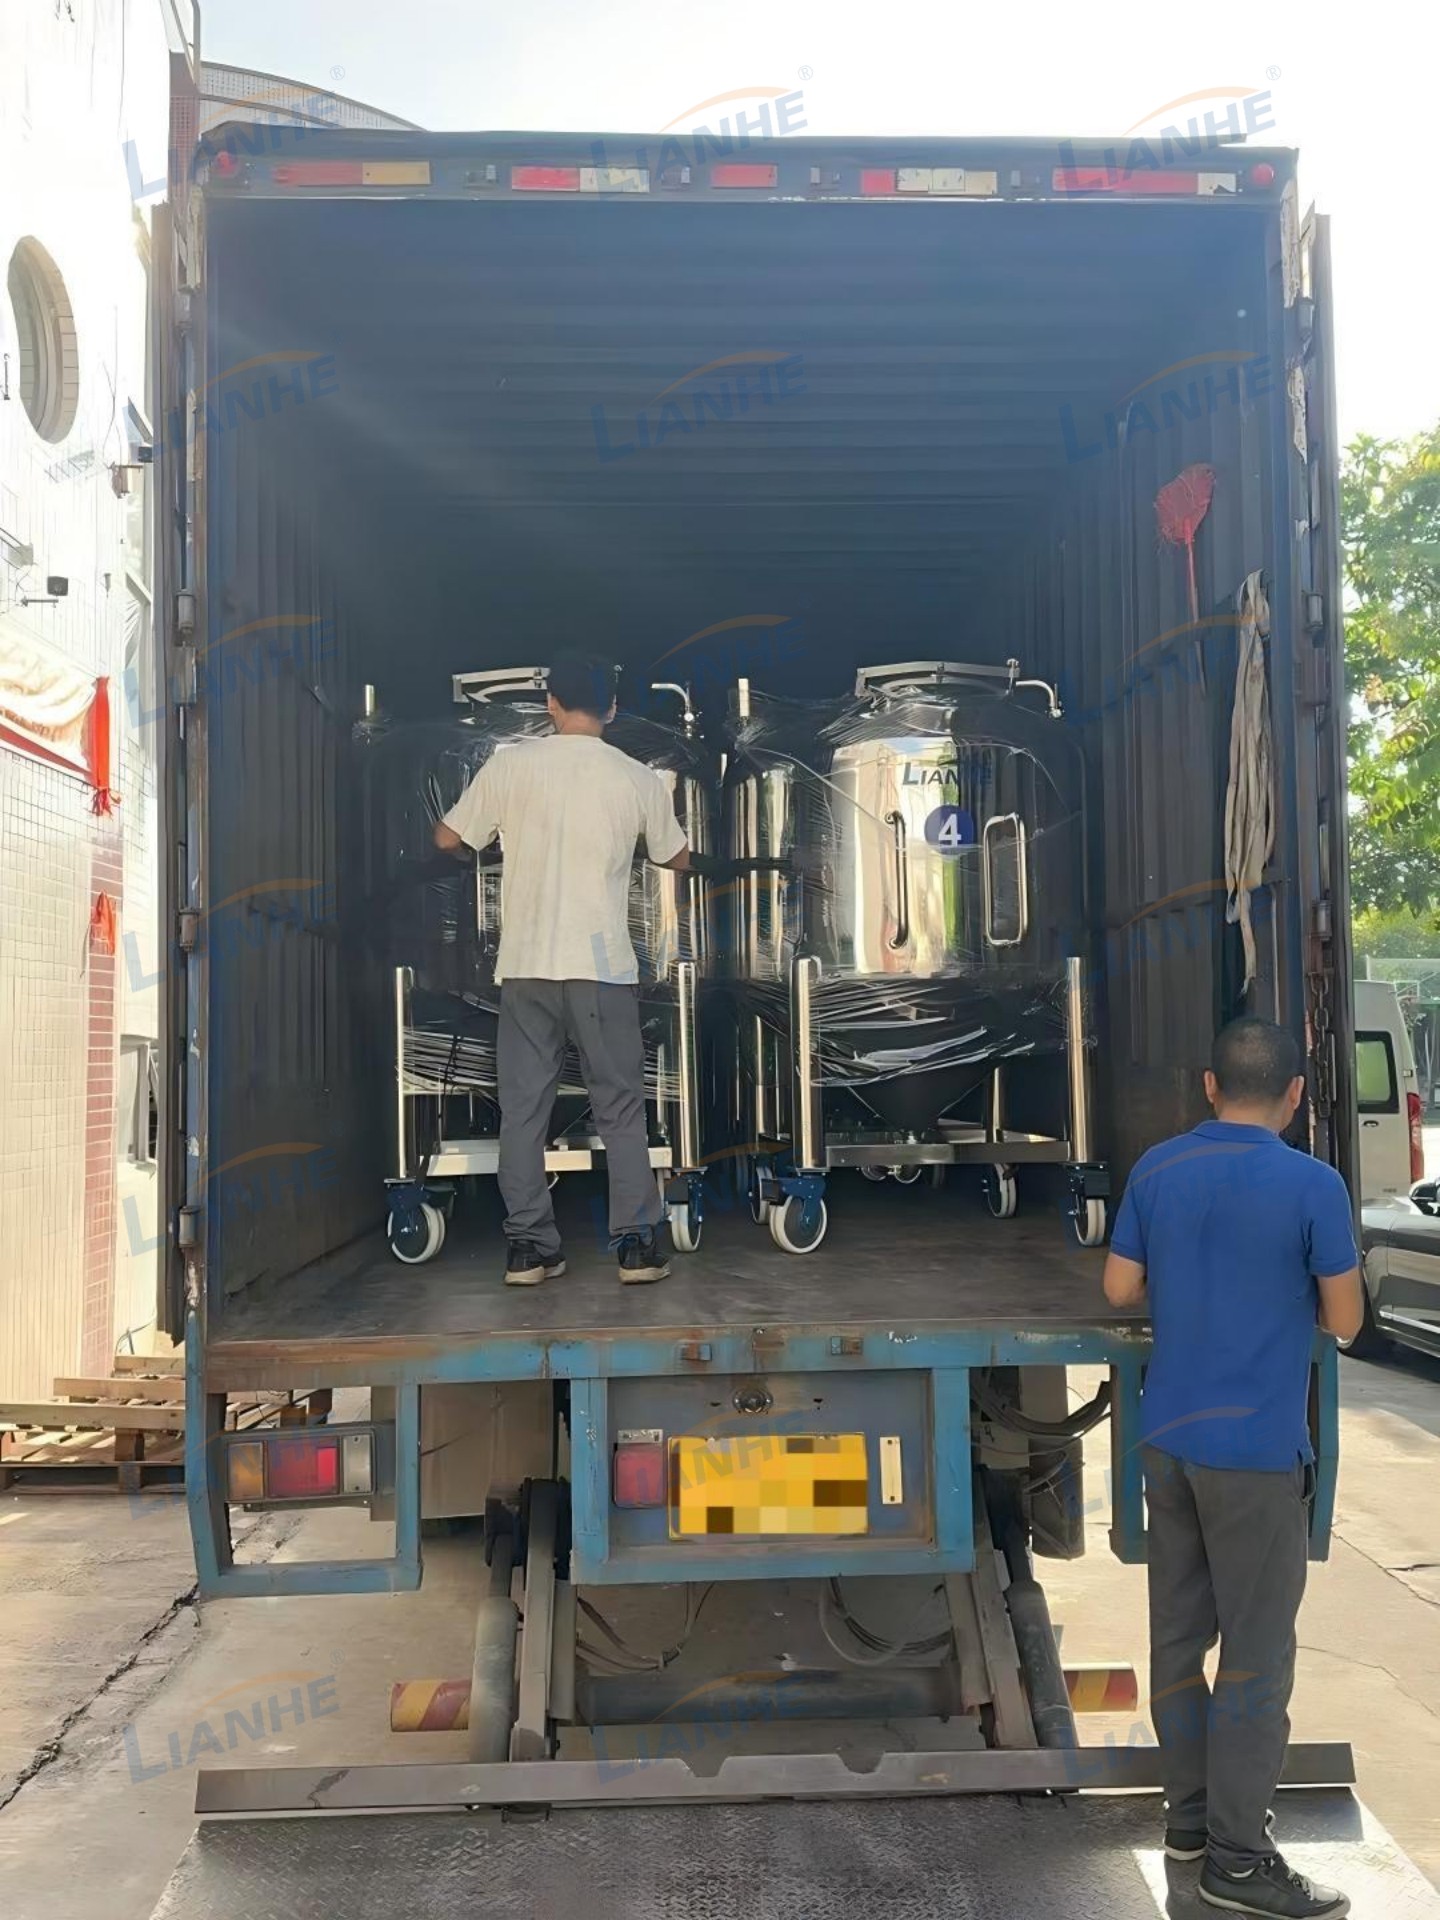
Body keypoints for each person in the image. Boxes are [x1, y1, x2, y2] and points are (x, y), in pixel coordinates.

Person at [1103, 1016, 1365, 1920]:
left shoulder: (1157, 1168)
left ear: (1209, 1086)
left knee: (1179, 1639)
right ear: (1295, 1094)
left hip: (1170, 1442)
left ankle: (1188, 1823)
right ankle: (1239, 1863)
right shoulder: (1313, 1185)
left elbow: (1118, 1288)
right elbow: (1345, 1321)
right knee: (1256, 1660)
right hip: (1255, 1458)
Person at [435, 652, 699, 1287]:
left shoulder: (510, 764)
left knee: (524, 1110)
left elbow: (448, 839)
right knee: (620, 1108)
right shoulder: (638, 777)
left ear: (550, 703)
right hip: (602, 965)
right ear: (612, 708)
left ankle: (530, 1249)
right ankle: (635, 1247)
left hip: (526, 964)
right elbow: (678, 857)